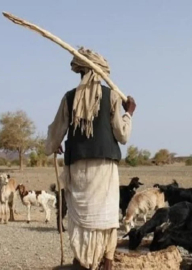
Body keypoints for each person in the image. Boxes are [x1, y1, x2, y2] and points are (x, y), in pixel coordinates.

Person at [45, 47, 136, 270]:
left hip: (77, 167)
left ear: (80, 72)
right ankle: (107, 263)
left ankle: (81, 262)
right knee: (105, 217)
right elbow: (122, 135)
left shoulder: (69, 98)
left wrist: (54, 144)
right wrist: (129, 113)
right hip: (105, 169)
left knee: (81, 216)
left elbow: (56, 132)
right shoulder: (112, 96)